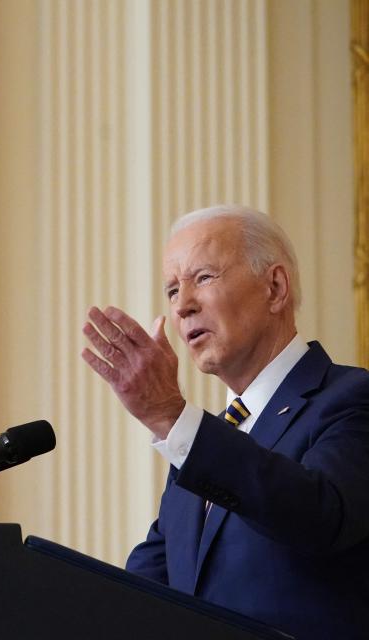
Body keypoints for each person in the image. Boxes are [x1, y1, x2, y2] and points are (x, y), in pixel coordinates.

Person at [80, 205, 369, 640]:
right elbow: (140, 595)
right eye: (173, 290)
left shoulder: (350, 398)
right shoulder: (199, 444)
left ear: (275, 288)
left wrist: (172, 418)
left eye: (203, 278)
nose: (183, 307)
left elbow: (320, 515)